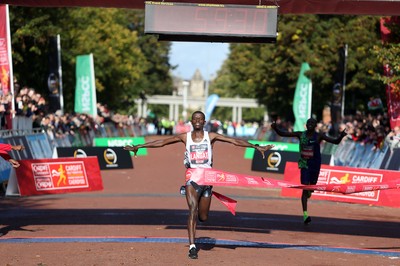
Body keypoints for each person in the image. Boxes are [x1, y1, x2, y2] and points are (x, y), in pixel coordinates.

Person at [124, 111, 273, 259]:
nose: (197, 121)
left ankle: (202, 211)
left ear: (204, 122)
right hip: (192, 178)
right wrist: (140, 146)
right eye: (195, 119)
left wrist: (256, 147)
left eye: (200, 119)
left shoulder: (211, 137)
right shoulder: (185, 137)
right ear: (191, 121)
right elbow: (162, 142)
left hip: (207, 179)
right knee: (192, 210)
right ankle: (192, 246)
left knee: (203, 217)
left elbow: (234, 141)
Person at [271, 118, 346, 224]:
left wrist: (341, 136)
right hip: (305, 164)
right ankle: (305, 214)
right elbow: (284, 134)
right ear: (306, 125)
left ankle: (310, 191)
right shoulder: (300, 134)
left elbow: (335, 142)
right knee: (305, 187)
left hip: (315, 164)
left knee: (312, 187)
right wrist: (275, 128)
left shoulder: (319, 136)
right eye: (308, 123)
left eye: (312, 123)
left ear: (315, 125)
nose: (310, 124)